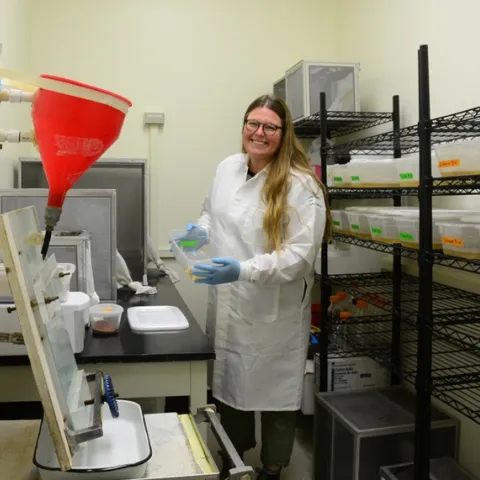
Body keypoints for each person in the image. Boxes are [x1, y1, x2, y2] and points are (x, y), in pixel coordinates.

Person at [182, 94, 331, 479]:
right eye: (253, 123)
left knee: (275, 391)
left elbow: (299, 257)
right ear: (244, 126)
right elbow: (212, 212)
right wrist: (198, 231)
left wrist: (244, 270)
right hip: (230, 301)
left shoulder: (302, 186)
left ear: (284, 134)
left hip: (272, 307)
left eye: (269, 127)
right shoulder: (228, 167)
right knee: (230, 380)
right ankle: (235, 455)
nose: (259, 133)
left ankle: (273, 466)